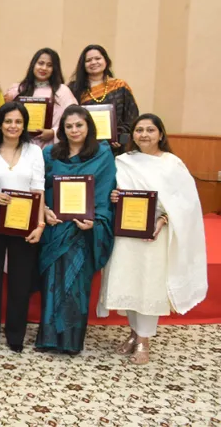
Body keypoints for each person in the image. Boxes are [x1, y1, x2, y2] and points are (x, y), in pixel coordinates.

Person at [99, 114, 207, 364]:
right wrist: (115, 197)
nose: (144, 134)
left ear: (161, 134)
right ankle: (134, 333)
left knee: (148, 285)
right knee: (129, 283)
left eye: (150, 130)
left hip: (155, 235)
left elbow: (186, 204)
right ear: (132, 135)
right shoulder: (123, 161)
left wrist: (162, 220)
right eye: (139, 130)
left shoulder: (172, 164)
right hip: (126, 233)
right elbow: (113, 193)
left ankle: (144, 342)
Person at [37, 105, 116, 354]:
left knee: (75, 286)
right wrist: (45, 209)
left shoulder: (102, 155)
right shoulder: (50, 154)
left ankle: (71, 341)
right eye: (69, 126)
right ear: (62, 129)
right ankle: (48, 338)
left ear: (89, 127)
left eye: (79, 125)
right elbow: (40, 187)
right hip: (55, 228)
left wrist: (97, 220)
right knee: (52, 283)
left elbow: (104, 192)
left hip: (82, 232)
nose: (74, 130)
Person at [0, 102, 45, 354]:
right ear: (0, 124)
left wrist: (40, 224)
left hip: (24, 222)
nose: (13, 126)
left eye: (18, 121)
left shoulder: (34, 151)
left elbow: (39, 188)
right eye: (8, 121)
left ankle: (16, 333)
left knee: (21, 279)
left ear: (24, 124)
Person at [68, 44, 139, 153]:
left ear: (106, 61)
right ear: (83, 65)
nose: (93, 62)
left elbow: (132, 117)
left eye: (98, 58)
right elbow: (67, 117)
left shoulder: (119, 86)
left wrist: (119, 136)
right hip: (82, 147)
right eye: (88, 60)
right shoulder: (74, 89)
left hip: (115, 148)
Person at [5, 48, 77, 148]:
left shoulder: (62, 91)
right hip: (21, 147)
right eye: (40, 63)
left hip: (52, 148)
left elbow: (74, 119)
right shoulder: (17, 90)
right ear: (33, 65)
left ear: (54, 69)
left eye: (49, 65)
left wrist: (53, 132)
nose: (44, 68)